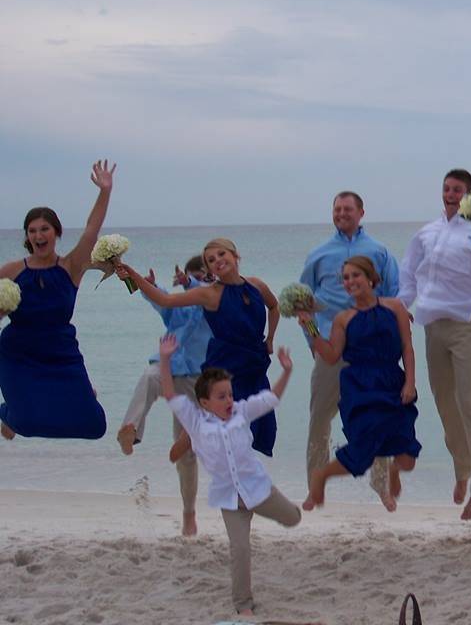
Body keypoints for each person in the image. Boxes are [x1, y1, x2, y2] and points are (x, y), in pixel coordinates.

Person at [158, 334, 300, 617]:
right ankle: (243, 605)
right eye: (221, 396)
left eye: (230, 394)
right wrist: (164, 358)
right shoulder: (196, 421)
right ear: (204, 402)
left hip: (260, 491)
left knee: (293, 518)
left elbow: (270, 399)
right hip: (230, 501)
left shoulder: (241, 412)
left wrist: (286, 370)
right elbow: (171, 394)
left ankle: (284, 512)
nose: (229, 400)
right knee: (240, 550)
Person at [398, 168, 471, 520]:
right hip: (433, 327)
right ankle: (462, 468)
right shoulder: (427, 232)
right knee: (445, 405)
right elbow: (409, 272)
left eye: (457, 189)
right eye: (446, 188)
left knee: (469, 402)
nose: (450, 194)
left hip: (468, 326)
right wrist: (402, 307)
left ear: (469, 195)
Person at [117, 238, 280, 458]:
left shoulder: (256, 285)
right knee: (234, 435)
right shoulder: (209, 294)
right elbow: (165, 300)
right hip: (226, 369)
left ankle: (193, 434)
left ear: (235, 255)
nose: (218, 261)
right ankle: (190, 437)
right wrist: (134, 276)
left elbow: (274, 306)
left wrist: (270, 338)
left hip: (255, 366)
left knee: (261, 430)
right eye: (211, 260)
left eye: (222, 254)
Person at [0, 160, 116, 440]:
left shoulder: (71, 266)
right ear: (27, 236)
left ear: (56, 233)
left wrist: (105, 190)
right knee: (26, 425)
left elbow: (91, 230)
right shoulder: (12, 271)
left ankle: (85, 393)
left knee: (94, 427)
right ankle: (7, 413)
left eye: (44, 229)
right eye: (32, 230)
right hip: (18, 353)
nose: (38, 235)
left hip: (61, 352)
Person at [300, 190, 400, 510]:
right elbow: (302, 300)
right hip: (330, 349)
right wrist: (312, 340)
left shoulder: (379, 251)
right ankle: (315, 485)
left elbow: (394, 297)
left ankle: (381, 483)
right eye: (337, 209)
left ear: (361, 212)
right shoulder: (318, 254)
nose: (342, 213)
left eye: (348, 209)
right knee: (320, 420)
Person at [303, 256, 420, 510]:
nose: (350, 281)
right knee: (364, 449)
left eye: (355, 275)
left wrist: (410, 382)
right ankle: (321, 475)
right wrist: (311, 326)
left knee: (408, 458)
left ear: (370, 278)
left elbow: (407, 348)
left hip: (391, 380)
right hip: (360, 388)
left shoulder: (395, 307)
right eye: (345, 278)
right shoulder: (343, 319)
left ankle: (393, 471)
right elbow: (332, 355)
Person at [116, 256, 212, 536]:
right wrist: (138, 281)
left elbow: (209, 290)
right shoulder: (178, 308)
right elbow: (158, 299)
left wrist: (190, 280)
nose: (197, 282)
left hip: (197, 383)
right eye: (195, 277)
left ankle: (189, 513)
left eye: (203, 277)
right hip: (169, 370)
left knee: (187, 454)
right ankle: (131, 432)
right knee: (148, 376)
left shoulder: (216, 304)